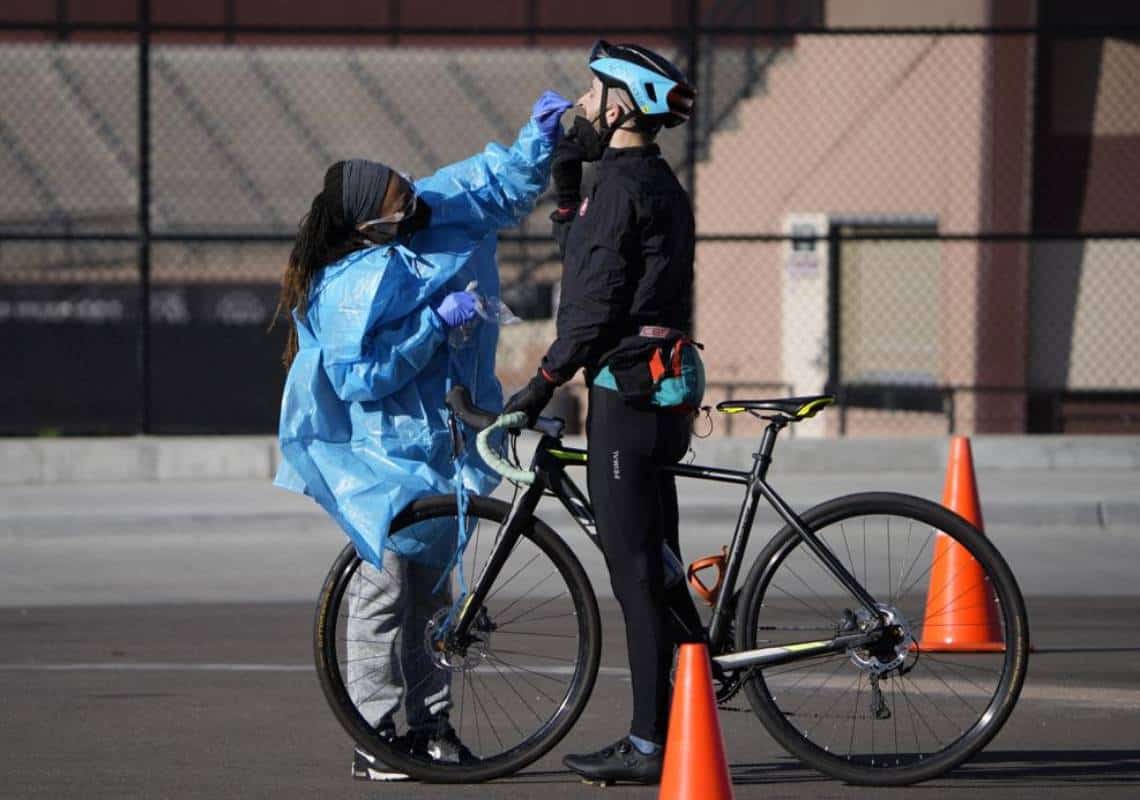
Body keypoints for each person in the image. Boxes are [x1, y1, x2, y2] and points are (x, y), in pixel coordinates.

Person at [273, 90, 571, 781]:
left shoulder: (431, 210)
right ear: (368, 222)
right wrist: (430, 328)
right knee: (382, 592)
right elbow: (359, 381)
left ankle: (431, 725)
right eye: (395, 196)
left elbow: (491, 185)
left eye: (405, 184)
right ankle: (374, 735)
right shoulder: (348, 286)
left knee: (436, 599)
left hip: (444, 446)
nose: (411, 198)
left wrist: (539, 137)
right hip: (380, 457)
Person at [503, 41, 703, 786]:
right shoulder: (640, 180)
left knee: (634, 574)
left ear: (621, 106)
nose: (581, 105)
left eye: (592, 94)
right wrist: (565, 185)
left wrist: (542, 382)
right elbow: (595, 255)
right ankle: (691, 692)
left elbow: (591, 306)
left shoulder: (623, 188)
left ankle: (651, 743)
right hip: (657, 393)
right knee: (657, 558)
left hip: (628, 395)